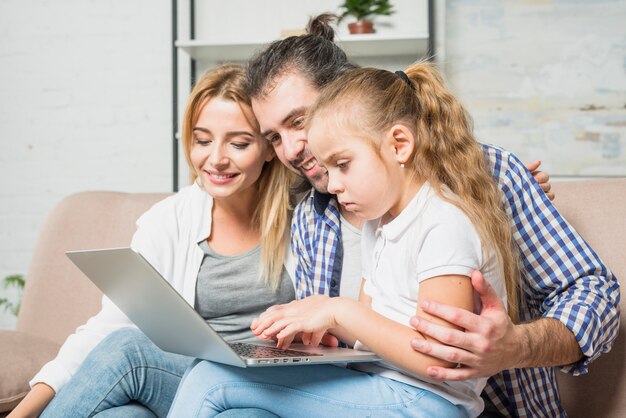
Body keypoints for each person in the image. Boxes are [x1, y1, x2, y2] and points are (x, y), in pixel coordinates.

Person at [242, 14, 619, 417]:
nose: (292, 148)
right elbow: (361, 335)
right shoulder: (310, 221)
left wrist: (514, 347)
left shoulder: (488, 178)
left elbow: (596, 295)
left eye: (299, 121)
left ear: (345, 94)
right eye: (275, 138)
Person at [168, 61, 520, 418]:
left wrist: (339, 310)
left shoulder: (444, 224)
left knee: (212, 380)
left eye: (343, 164)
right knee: (220, 385)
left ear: (399, 145)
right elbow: (367, 329)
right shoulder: (379, 223)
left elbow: (437, 357)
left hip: (429, 403)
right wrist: (313, 319)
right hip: (383, 386)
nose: (332, 185)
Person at [9, 64, 296, 418]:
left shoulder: (306, 219)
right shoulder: (168, 220)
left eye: (238, 143)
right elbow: (108, 329)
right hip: (185, 380)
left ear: (270, 148)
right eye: (202, 140)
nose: (216, 158)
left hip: (274, 389)